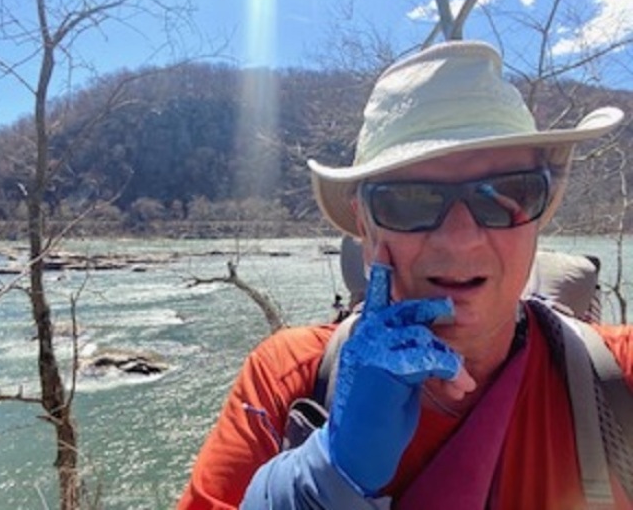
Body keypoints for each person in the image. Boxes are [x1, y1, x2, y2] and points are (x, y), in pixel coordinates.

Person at [177, 41, 632, 509]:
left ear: (538, 214)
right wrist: (326, 475)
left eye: (504, 194)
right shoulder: (287, 380)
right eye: (408, 199)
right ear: (365, 226)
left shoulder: (617, 380)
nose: (460, 239)